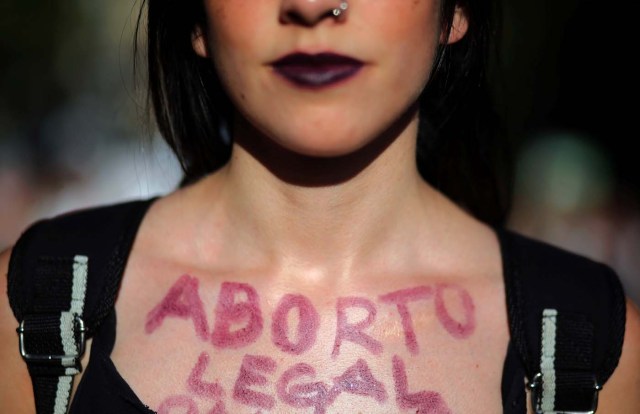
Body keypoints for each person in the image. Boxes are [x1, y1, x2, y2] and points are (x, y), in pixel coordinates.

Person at [1, 0, 639, 413]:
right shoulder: (29, 315)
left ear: (456, 10)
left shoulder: (596, 350)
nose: (311, 7)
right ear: (195, 18)